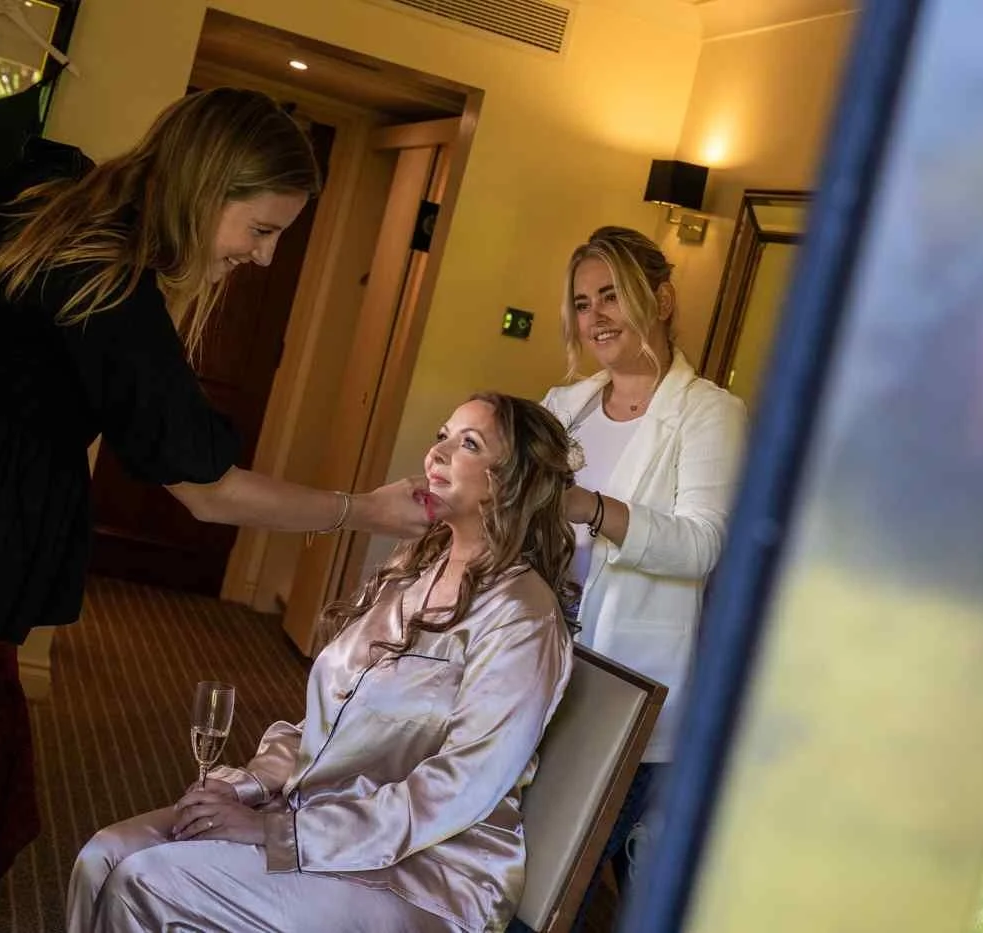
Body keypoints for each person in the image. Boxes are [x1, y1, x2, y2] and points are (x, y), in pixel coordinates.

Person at [0, 87, 430, 894]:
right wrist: (361, 509)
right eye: (261, 230)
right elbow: (209, 490)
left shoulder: (54, 202)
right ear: (205, 187)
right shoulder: (109, 284)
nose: (263, 258)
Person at [67, 393, 579, 933]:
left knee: (145, 883)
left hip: (428, 877)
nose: (438, 454)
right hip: (315, 817)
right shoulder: (410, 571)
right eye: (441, 435)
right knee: (103, 857)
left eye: (468, 444)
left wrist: (276, 835)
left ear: (514, 481)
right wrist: (242, 788)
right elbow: (323, 728)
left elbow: (460, 788)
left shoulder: (523, 616)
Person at [542, 226, 747, 923]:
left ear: (660, 298)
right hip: (540, 669)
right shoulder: (562, 405)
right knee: (522, 865)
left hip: (630, 688)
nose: (594, 315)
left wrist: (590, 508)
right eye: (581, 302)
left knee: (561, 883)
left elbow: (702, 545)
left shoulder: (708, 412)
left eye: (611, 295)